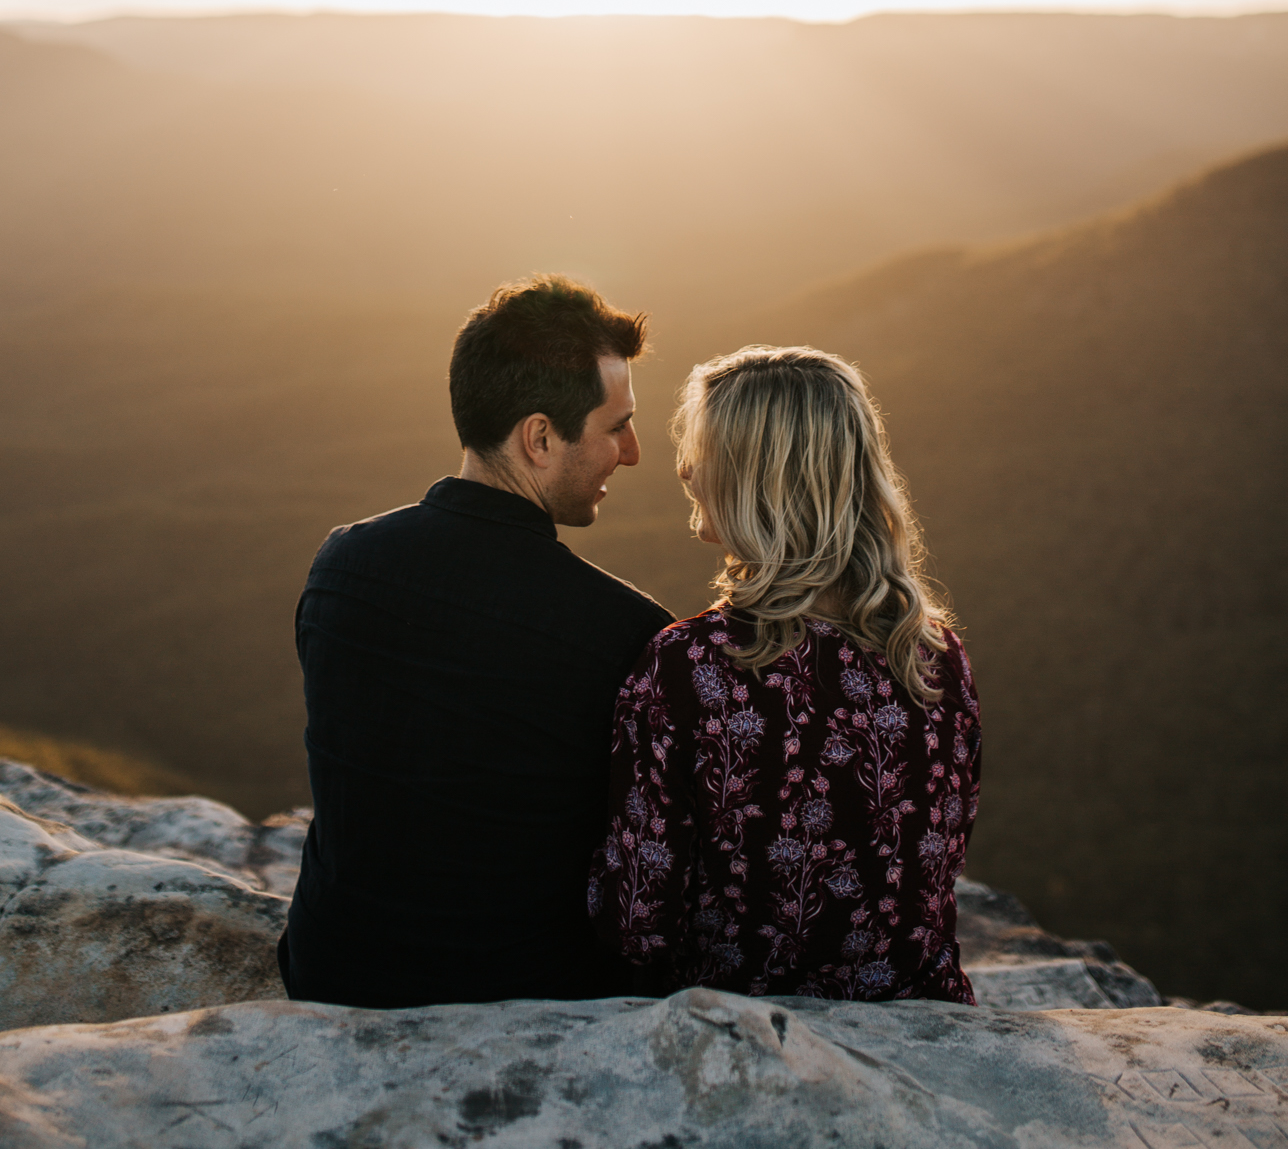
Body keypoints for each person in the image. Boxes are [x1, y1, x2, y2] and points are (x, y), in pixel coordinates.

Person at [280, 274, 673, 1008]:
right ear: (540, 438)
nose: (633, 451)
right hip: (515, 1007)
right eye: (615, 425)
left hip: (329, 975)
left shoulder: (340, 565)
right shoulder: (624, 634)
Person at [588, 344, 980, 1002]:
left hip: (742, 1038)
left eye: (703, 455)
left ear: (755, 479)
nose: (684, 470)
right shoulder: (936, 657)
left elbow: (638, 924)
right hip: (915, 1027)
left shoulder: (689, 669)